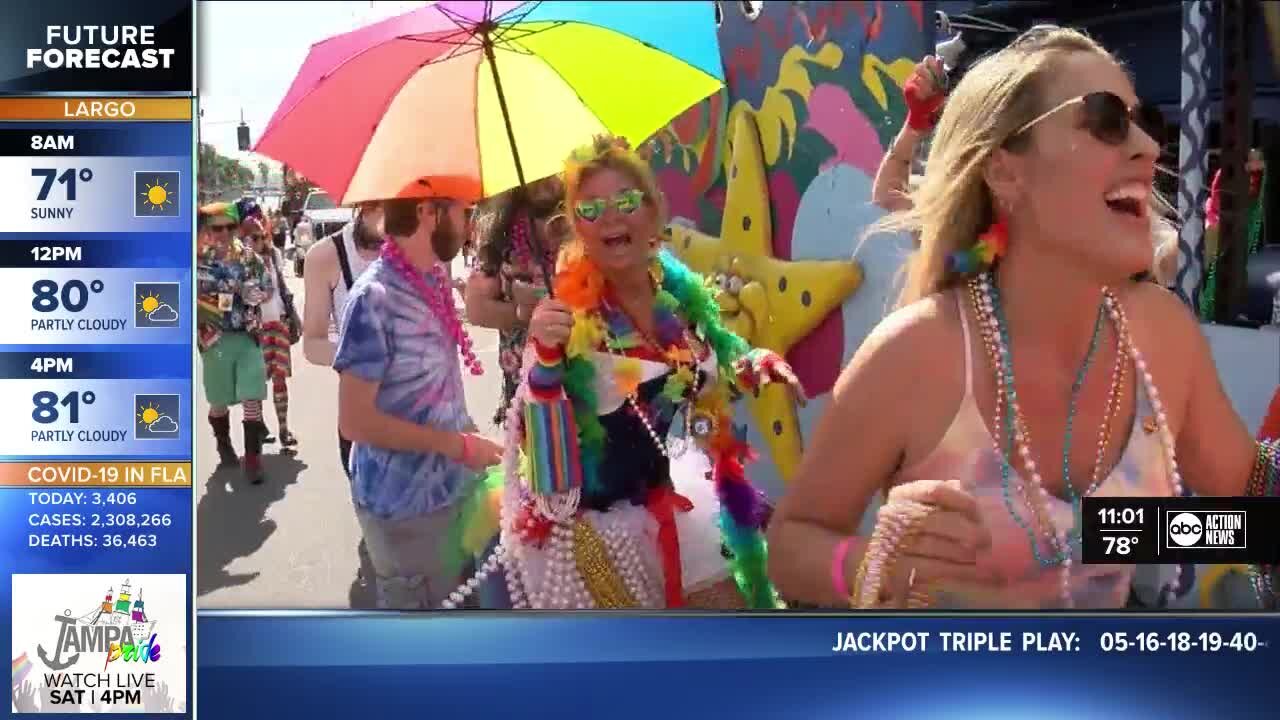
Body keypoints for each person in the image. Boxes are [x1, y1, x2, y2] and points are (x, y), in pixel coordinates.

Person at [766, 26, 1274, 610]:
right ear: (1006, 172)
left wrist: (1115, 533)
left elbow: (1247, 499)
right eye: (1107, 119)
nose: (1148, 147)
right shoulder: (917, 353)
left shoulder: (1163, 336)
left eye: (1142, 122)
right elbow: (790, 547)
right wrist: (866, 563)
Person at [443, 136, 804, 610]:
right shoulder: (569, 318)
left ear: (653, 212)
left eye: (626, 201)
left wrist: (754, 362)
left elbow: (715, 359)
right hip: (587, 538)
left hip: (669, 505)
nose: (610, 217)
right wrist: (547, 361)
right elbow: (548, 471)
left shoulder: (675, 288)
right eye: (590, 210)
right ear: (575, 228)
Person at [333, 190, 504, 609]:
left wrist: (470, 436)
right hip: (404, 508)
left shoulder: (433, 278)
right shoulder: (374, 299)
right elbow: (354, 422)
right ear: (429, 213)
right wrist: (457, 445)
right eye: (465, 211)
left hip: (453, 490)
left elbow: (435, 388)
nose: (470, 223)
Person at [463, 176, 569, 426]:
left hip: (583, 370)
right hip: (527, 377)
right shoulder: (500, 232)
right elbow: (476, 308)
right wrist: (525, 314)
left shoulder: (583, 215)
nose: (546, 180)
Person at [302, 201, 383, 477]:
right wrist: (361, 357)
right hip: (361, 416)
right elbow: (313, 344)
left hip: (422, 415)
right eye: (377, 204)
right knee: (374, 515)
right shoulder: (326, 256)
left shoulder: (422, 248)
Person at [197, 200, 273, 484]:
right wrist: (228, 294)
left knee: (251, 395)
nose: (225, 234)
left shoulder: (249, 256)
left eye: (230, 227)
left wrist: (257, 293)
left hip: (248, 336)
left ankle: (253, 460)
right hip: (214, 339)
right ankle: (223, 443)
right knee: (218, 401)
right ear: (208, 229)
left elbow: (268, 286)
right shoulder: (198, 259)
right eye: (218, 229)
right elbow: (192, 299)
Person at [248, 216, 300, 449]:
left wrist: (294, 316)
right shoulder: (243, 263)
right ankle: (257, 427)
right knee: (257, 382)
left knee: (280, 380)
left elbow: (283, 289)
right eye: (254, 238)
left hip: (278, 322)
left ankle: (283, 428)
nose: (260, 241)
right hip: (256, 328)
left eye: (262, 236)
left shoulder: (275, 256)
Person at [871, 55, 946, 213]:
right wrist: (918, 118)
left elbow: (887, 198)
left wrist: (917, 120)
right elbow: (887, 198)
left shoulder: (952, 217)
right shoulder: (957, 215)